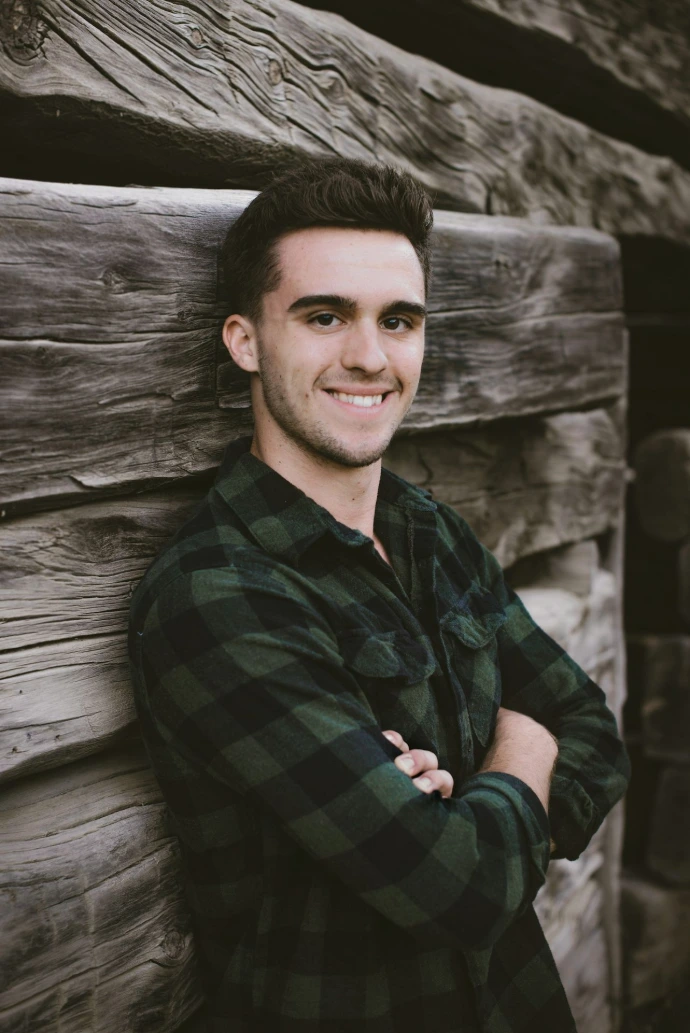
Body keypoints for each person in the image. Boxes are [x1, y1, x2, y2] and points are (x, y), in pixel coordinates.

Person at [128, 157, 630, 1033]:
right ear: (245, 339)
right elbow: (462, 888)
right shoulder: (218, 596)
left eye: (398, 319)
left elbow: (593, 729)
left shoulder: (429, 531)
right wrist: (521, 749)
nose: (369, 355)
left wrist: (473, 808)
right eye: (325, 316)